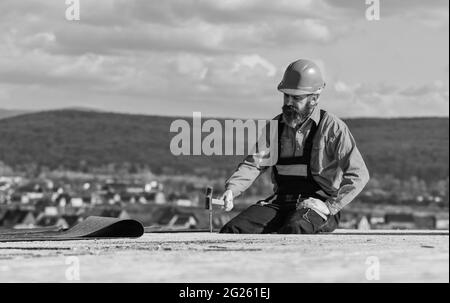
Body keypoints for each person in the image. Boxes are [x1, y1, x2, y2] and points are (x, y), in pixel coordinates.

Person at [219, 59, 370, 234]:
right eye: (286, 96)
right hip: (280, 203)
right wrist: (232, 190)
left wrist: (330, 206)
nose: (289, 102)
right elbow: (254, 164)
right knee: (233, 229)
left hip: (317, 207)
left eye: (296, 98)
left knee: (295, 228)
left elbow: (359, 174)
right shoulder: (275, 127)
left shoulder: (332, 128)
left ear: (314, 98)